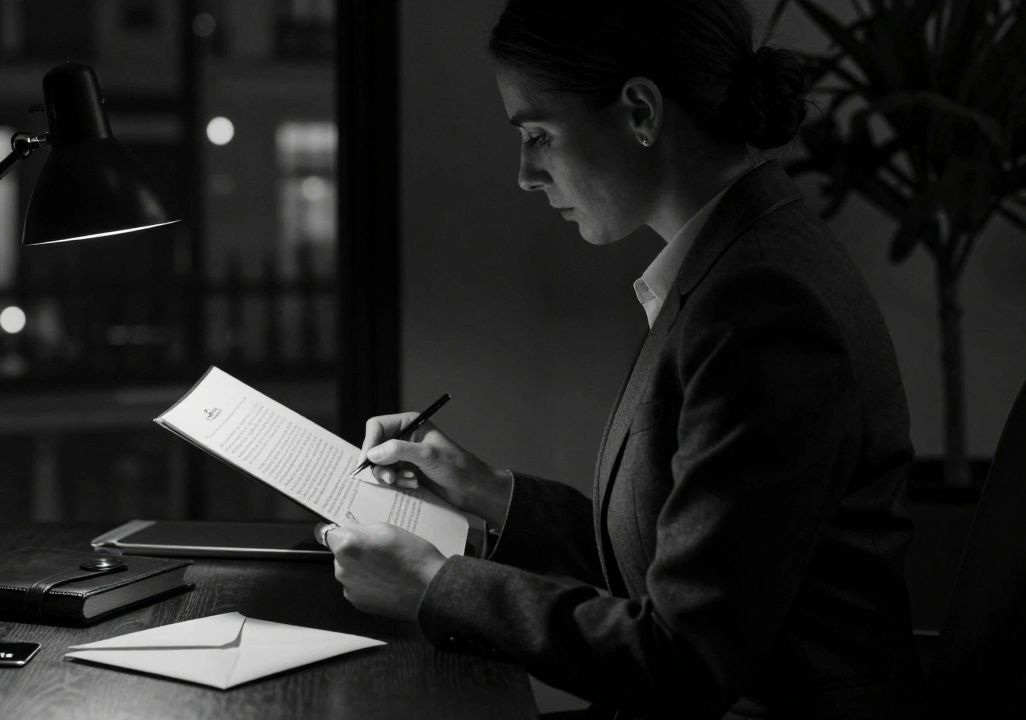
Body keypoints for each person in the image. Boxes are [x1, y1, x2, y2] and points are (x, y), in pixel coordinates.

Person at [316, 1, 924, 718]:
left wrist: (436, 587)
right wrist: (485, 488)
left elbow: (684, 660)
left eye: (539, 134)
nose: (525, 174)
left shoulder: (761, 305)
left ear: (639, 110)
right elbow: (673, 565)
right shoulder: (728, 267)